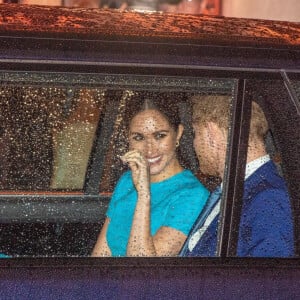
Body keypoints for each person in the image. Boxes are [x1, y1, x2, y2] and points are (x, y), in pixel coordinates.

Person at [92, 93, 209, 257]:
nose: (149, 149)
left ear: (179, 134)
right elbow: (99, 257)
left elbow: (142, 269)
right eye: (138, 137)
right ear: (128, 138)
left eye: (160, 136)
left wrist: (144, 195)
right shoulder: (127, 180)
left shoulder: (193, 196)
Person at [180, 95, 294, 257]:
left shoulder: (270, 199)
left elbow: (267, 279)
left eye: (196, 133)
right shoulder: (236, 190)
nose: (194, 144)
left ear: (211, 133)